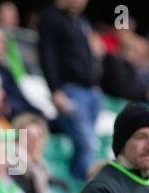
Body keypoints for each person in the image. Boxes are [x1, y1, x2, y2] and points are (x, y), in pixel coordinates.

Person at [38, 0, 102, 180]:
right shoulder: (51, 17)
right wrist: (55, 89)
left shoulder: (81, 21)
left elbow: (87, 56)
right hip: (70, 90)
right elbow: (47, 55)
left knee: (85, 142)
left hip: (90, 92)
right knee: (86, 143)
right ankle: (86, 192)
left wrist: (95, 84)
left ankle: (74, 185)